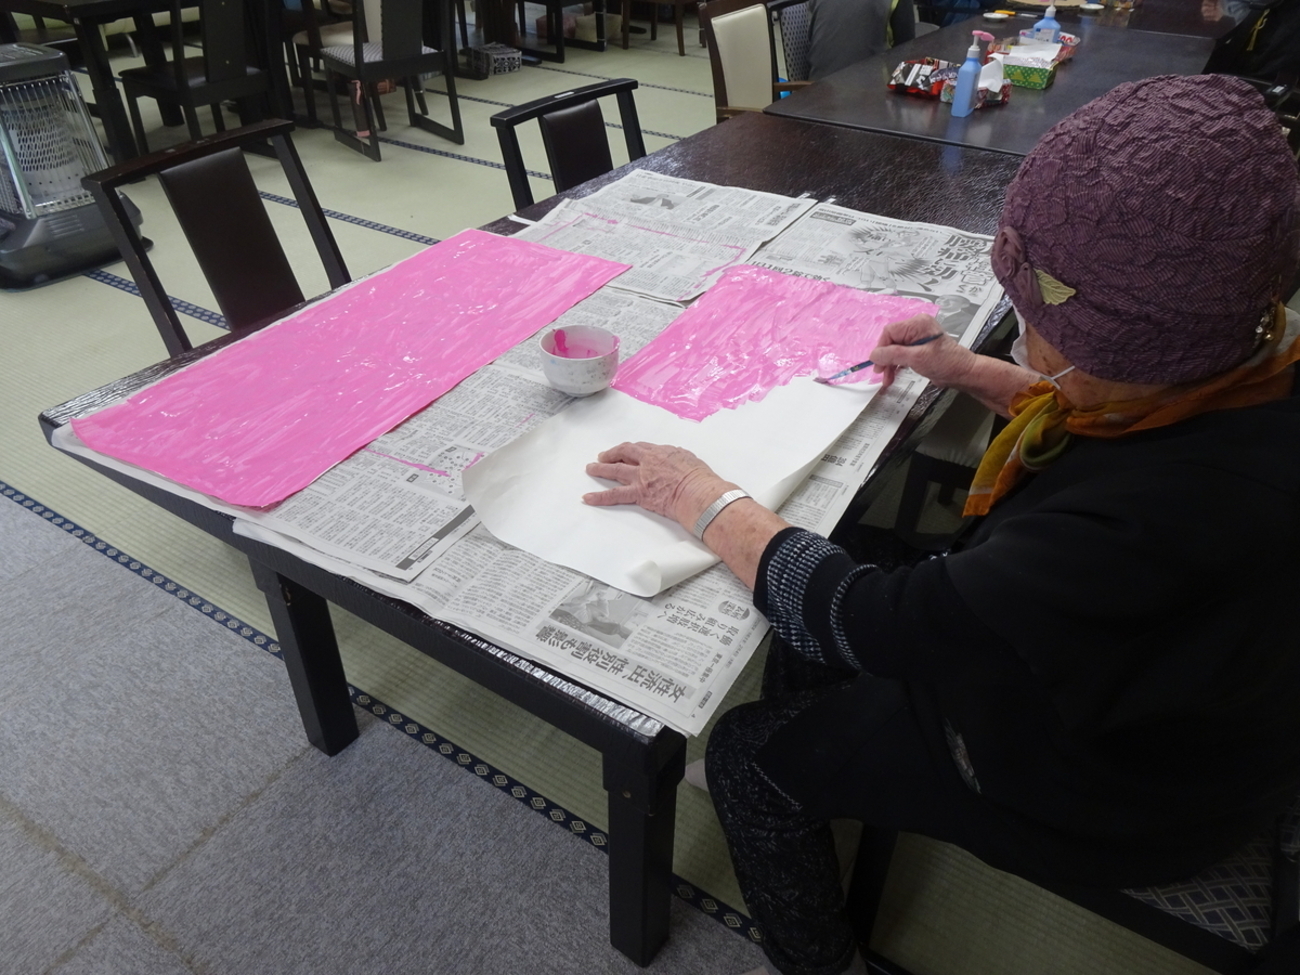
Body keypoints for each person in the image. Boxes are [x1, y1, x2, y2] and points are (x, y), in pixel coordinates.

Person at [582, 73, 1300, 975]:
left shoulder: (1160, 517)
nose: (1028, 338)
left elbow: (873, 619)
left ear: (1140, 348)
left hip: (1121, 789)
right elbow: (1112, 419)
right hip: (1164, 690)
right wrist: (973, 371)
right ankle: (826, 745)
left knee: (741, 755)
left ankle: (822, 953)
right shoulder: (1248, 363)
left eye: (1044, 325)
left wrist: (701, 495)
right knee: (839, 566)